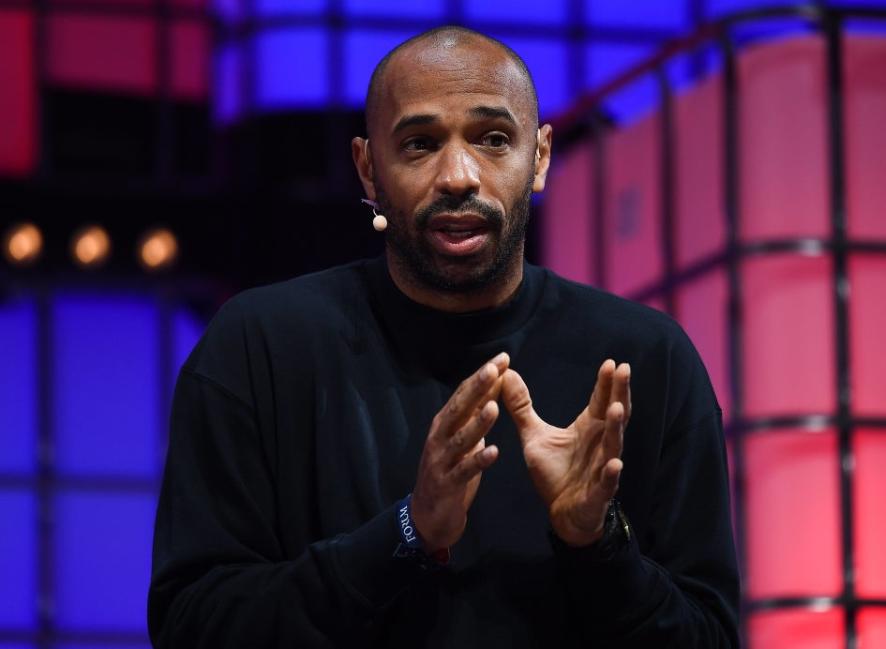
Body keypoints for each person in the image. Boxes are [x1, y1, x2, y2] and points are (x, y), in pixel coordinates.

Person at [148, 25, 740, 648]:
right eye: (420, 144)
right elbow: (194, 627)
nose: (458, 175)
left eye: (492, 139)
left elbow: (709, 638)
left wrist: (596, 542)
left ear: (538, 159)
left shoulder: (645, 360)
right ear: (368, 168)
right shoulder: (259, 347)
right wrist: (408, 532)